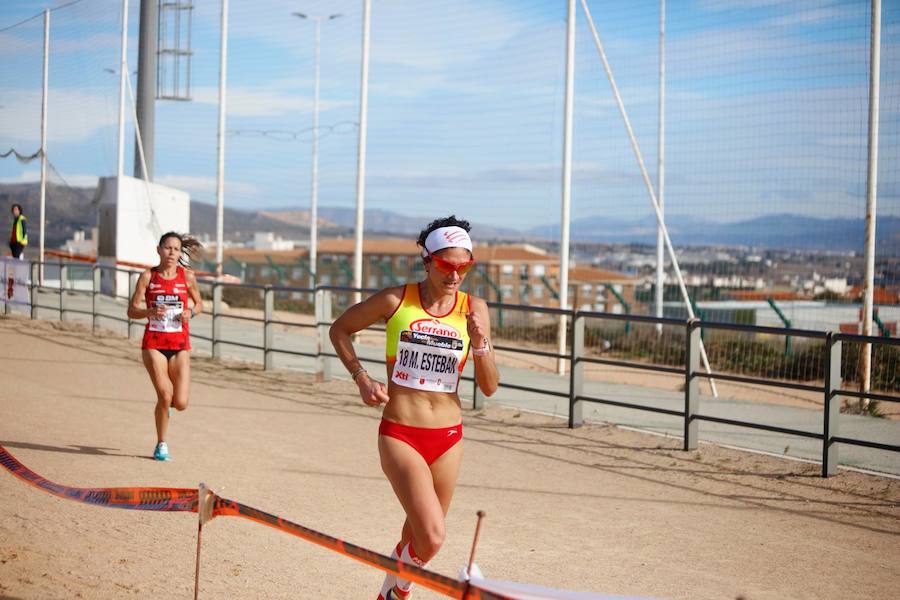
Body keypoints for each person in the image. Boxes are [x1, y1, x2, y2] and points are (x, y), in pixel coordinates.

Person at [330, 216, 499, 600]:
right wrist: (361, 377)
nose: (455, 275)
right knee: (433, 537)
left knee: (415, 537)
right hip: (401, 434)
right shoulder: (397, 300)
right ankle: (401, 591)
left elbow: (489, 387)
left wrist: (481, 341)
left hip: (449, 438)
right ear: (427, 261)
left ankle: (388, 595)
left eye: (463, 267)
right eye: (446, 265)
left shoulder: (475, 308)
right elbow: (339, 329)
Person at [127, 232, 203, 461]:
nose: (172, 253)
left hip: (180, 344)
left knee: (180, 403)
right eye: (167, 248)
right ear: (159, 250)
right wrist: (149, 311)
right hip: (154, 343)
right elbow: (131, 311)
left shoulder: (187, 277)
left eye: (176, 249)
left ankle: (166, 407)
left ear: (180, 253)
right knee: (164, 394)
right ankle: (161, 444)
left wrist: (190, 312)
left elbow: (200, 304)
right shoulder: (148, 277)